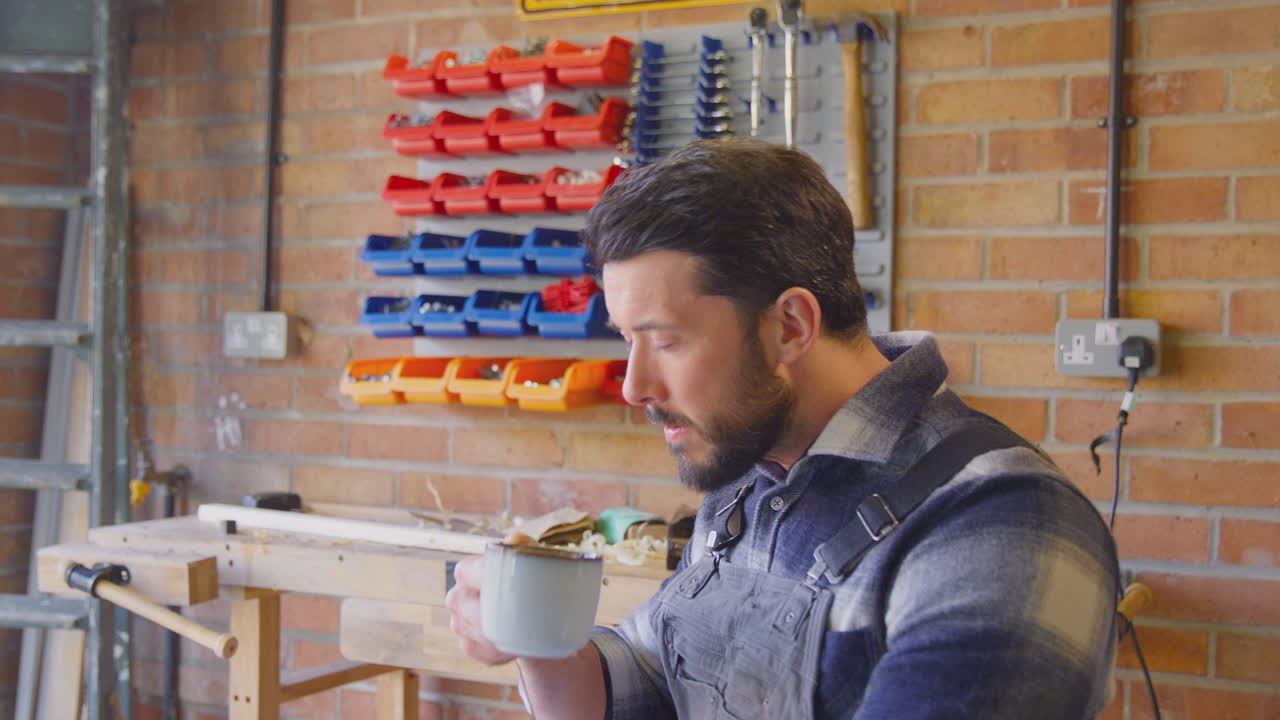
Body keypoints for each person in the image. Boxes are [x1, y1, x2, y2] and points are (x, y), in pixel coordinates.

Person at [446, 138, 1120, 719]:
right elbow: (648, 682)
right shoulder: (750, 480)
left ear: (791, 327)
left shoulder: (999, 525)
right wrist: (539, 643)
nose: (633, 386)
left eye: (667, 341)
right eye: (628, 340)